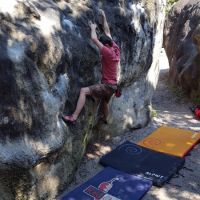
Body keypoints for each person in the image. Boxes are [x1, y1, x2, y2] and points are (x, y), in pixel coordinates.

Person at [62, 9, 120, 123]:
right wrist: (104, 17)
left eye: (102, 45)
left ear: (105, 45)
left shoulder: (107, 52)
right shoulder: (115, 47)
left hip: (107, 86)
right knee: (105, 101)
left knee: (83, 91)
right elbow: (107, 31)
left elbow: (94, 39)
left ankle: (73, 117)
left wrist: (93, 28)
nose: (101, 47)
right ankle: (105, 118)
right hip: (114, 87)